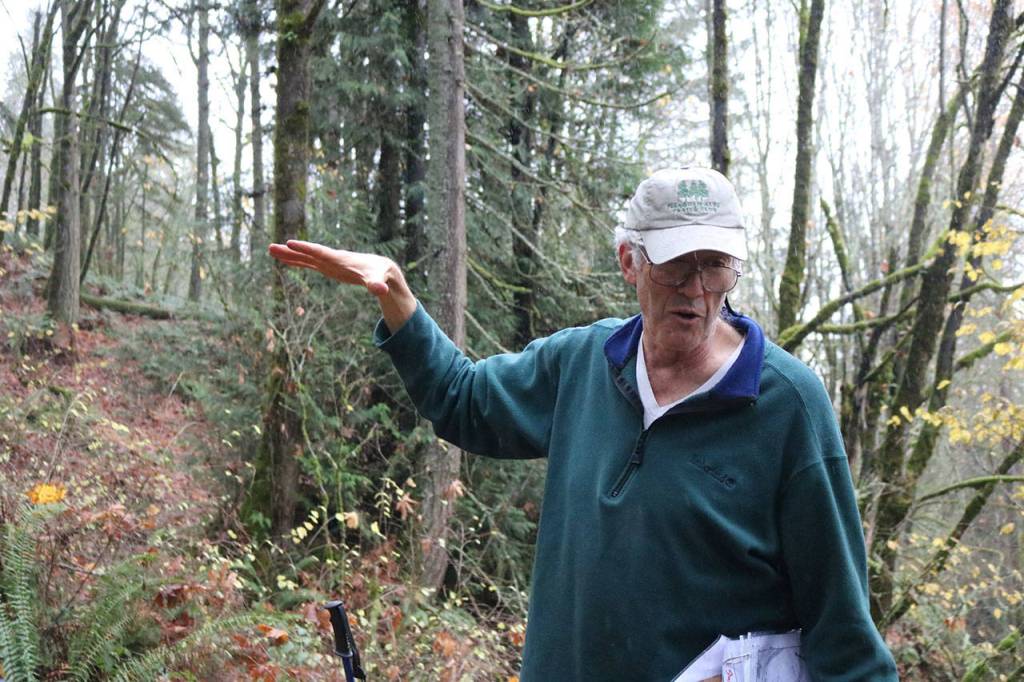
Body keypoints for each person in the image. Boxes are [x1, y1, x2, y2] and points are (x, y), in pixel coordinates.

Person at [269, 167, 898, 681]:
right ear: (630, 261)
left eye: (716, 266)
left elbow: (841, 629)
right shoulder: (582, 364)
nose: (698, 290)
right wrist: (396, 296)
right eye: (677, 265)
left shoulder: (788, 406)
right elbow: (463, 399)